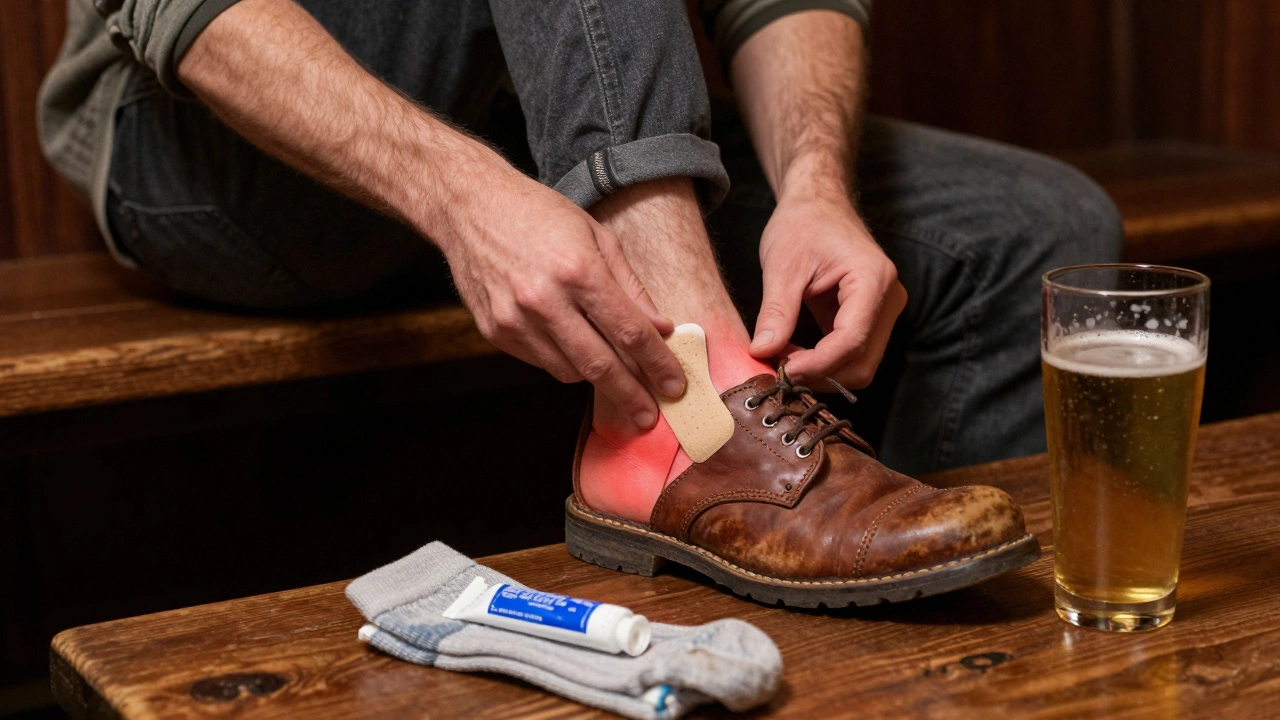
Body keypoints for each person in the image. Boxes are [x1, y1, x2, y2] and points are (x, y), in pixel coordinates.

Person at [40, 0, 1123, 605]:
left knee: (1031, 231)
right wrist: (463, 196)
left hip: (540, 110)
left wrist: (813, 183)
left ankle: (891, 651)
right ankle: (698, 403)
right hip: (225, 141)